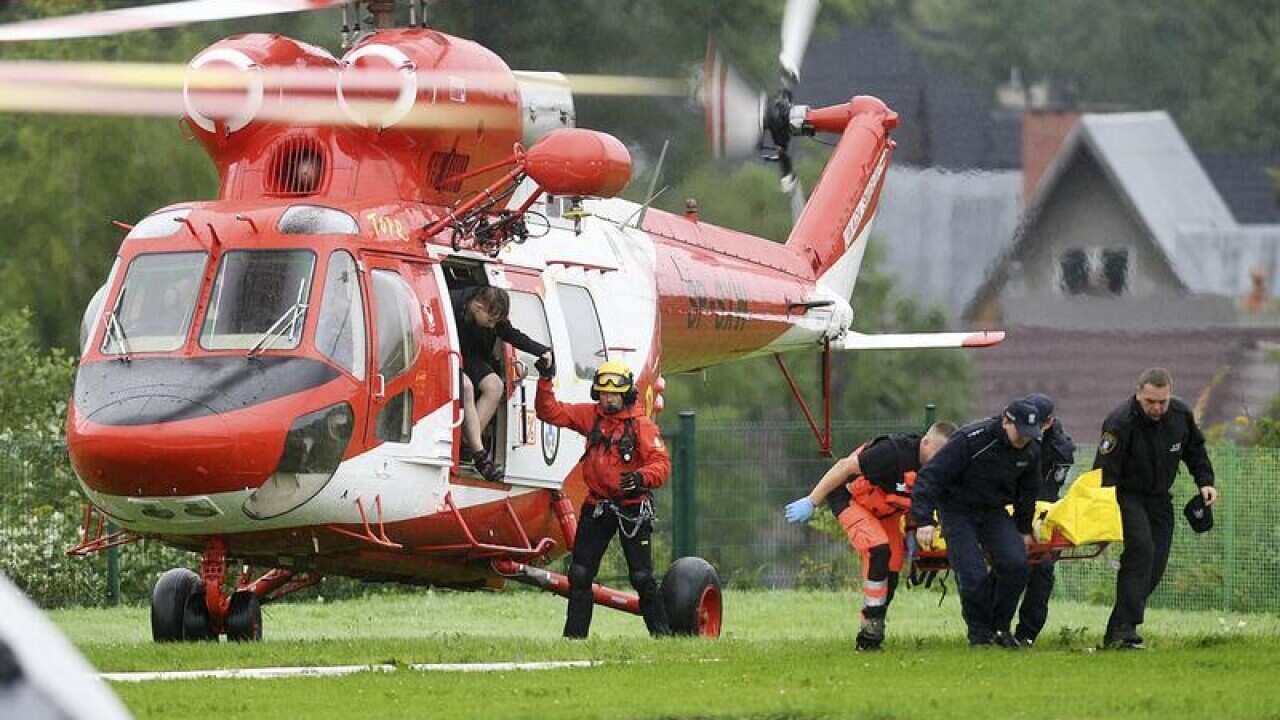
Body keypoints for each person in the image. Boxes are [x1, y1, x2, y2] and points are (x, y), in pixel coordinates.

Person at [783, 422, 958, 650]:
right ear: (925, 442)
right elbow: (844, 467)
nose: (940, 461)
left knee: (893, 566)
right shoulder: (891, 453)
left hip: (886, 512)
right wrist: (812, 500)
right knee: (878, 550)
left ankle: (875, 626)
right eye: (937, 453)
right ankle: (868, 637)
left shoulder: (941, 469)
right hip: (850, 500)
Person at [534, 357, 672, 638]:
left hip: (633, 509)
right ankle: (574, 639)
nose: (609, 399)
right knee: (580, 574)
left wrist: (641, 477)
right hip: (597, 506)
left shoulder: (641, 425)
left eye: (615, 395)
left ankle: (663, 637)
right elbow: (551, 412)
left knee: (642, 577)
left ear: (626, 395)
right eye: (605, 394)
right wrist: (545, 380)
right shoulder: (591, 416)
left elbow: (662, 464)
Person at [1095, 367, 1217, 650]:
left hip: (1160, 498)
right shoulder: (1119, 422)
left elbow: (1195, 450)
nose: (1157, 408)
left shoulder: (1180, 415)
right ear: (1139, 394)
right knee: (1141, 550)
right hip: (1126, 496)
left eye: (1162, 401)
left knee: (1156, 563)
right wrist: (1103, 520)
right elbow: (1104, 473)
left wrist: (1205, 482)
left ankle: (1118, 628)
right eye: (1151, 401)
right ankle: (1125, 629)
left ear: (1169, 395)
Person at [910, 400, 1042, 648]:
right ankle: (979, 634)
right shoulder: (971, 440)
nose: (1024, 439)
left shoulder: (1031, 450)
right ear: (1006, 421)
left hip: (993, 511)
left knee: (1016, 565)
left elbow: (1028, 493)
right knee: (973, 574)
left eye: (1030, 434)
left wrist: (1024, 529)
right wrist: (924, 520)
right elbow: (930, 477)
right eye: (1021, 432)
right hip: (957, 510)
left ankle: (1000, 628)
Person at [450, 285, 551, 481]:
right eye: (489, 321)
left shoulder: (490, 314)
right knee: (466, 387)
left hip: (472, 357)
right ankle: (479, 455)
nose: (491, 326)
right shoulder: (450, 303)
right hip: (446, 352)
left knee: (495, 385)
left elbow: (512, 335)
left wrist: (542, 350)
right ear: (478, 307)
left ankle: (468, 441)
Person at [1012, 392, 1076, 647]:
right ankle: (993, 629)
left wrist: (1033, 524)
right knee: (1008, 569)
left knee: (1042, 571)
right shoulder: (1009, 434)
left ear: (1048, 423)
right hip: (1007, 509)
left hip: (1042, 513)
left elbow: (1048, 492)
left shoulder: (1060, 450)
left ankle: (1026, 635)